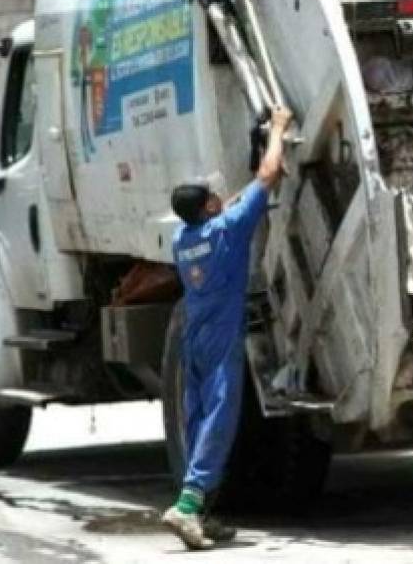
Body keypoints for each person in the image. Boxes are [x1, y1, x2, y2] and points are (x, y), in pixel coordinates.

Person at [161, 106, 292, 550]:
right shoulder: (227, 232)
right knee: (220, 420)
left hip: (194, 337)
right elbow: (269, 175)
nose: (220, 198)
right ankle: (188, 506)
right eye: (213, 197)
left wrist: (239, 196)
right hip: (219, 341)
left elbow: (231, 208)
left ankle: (200, 509)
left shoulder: (185, 239)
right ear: (207, 208)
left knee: (197, 422)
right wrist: (277, 129)